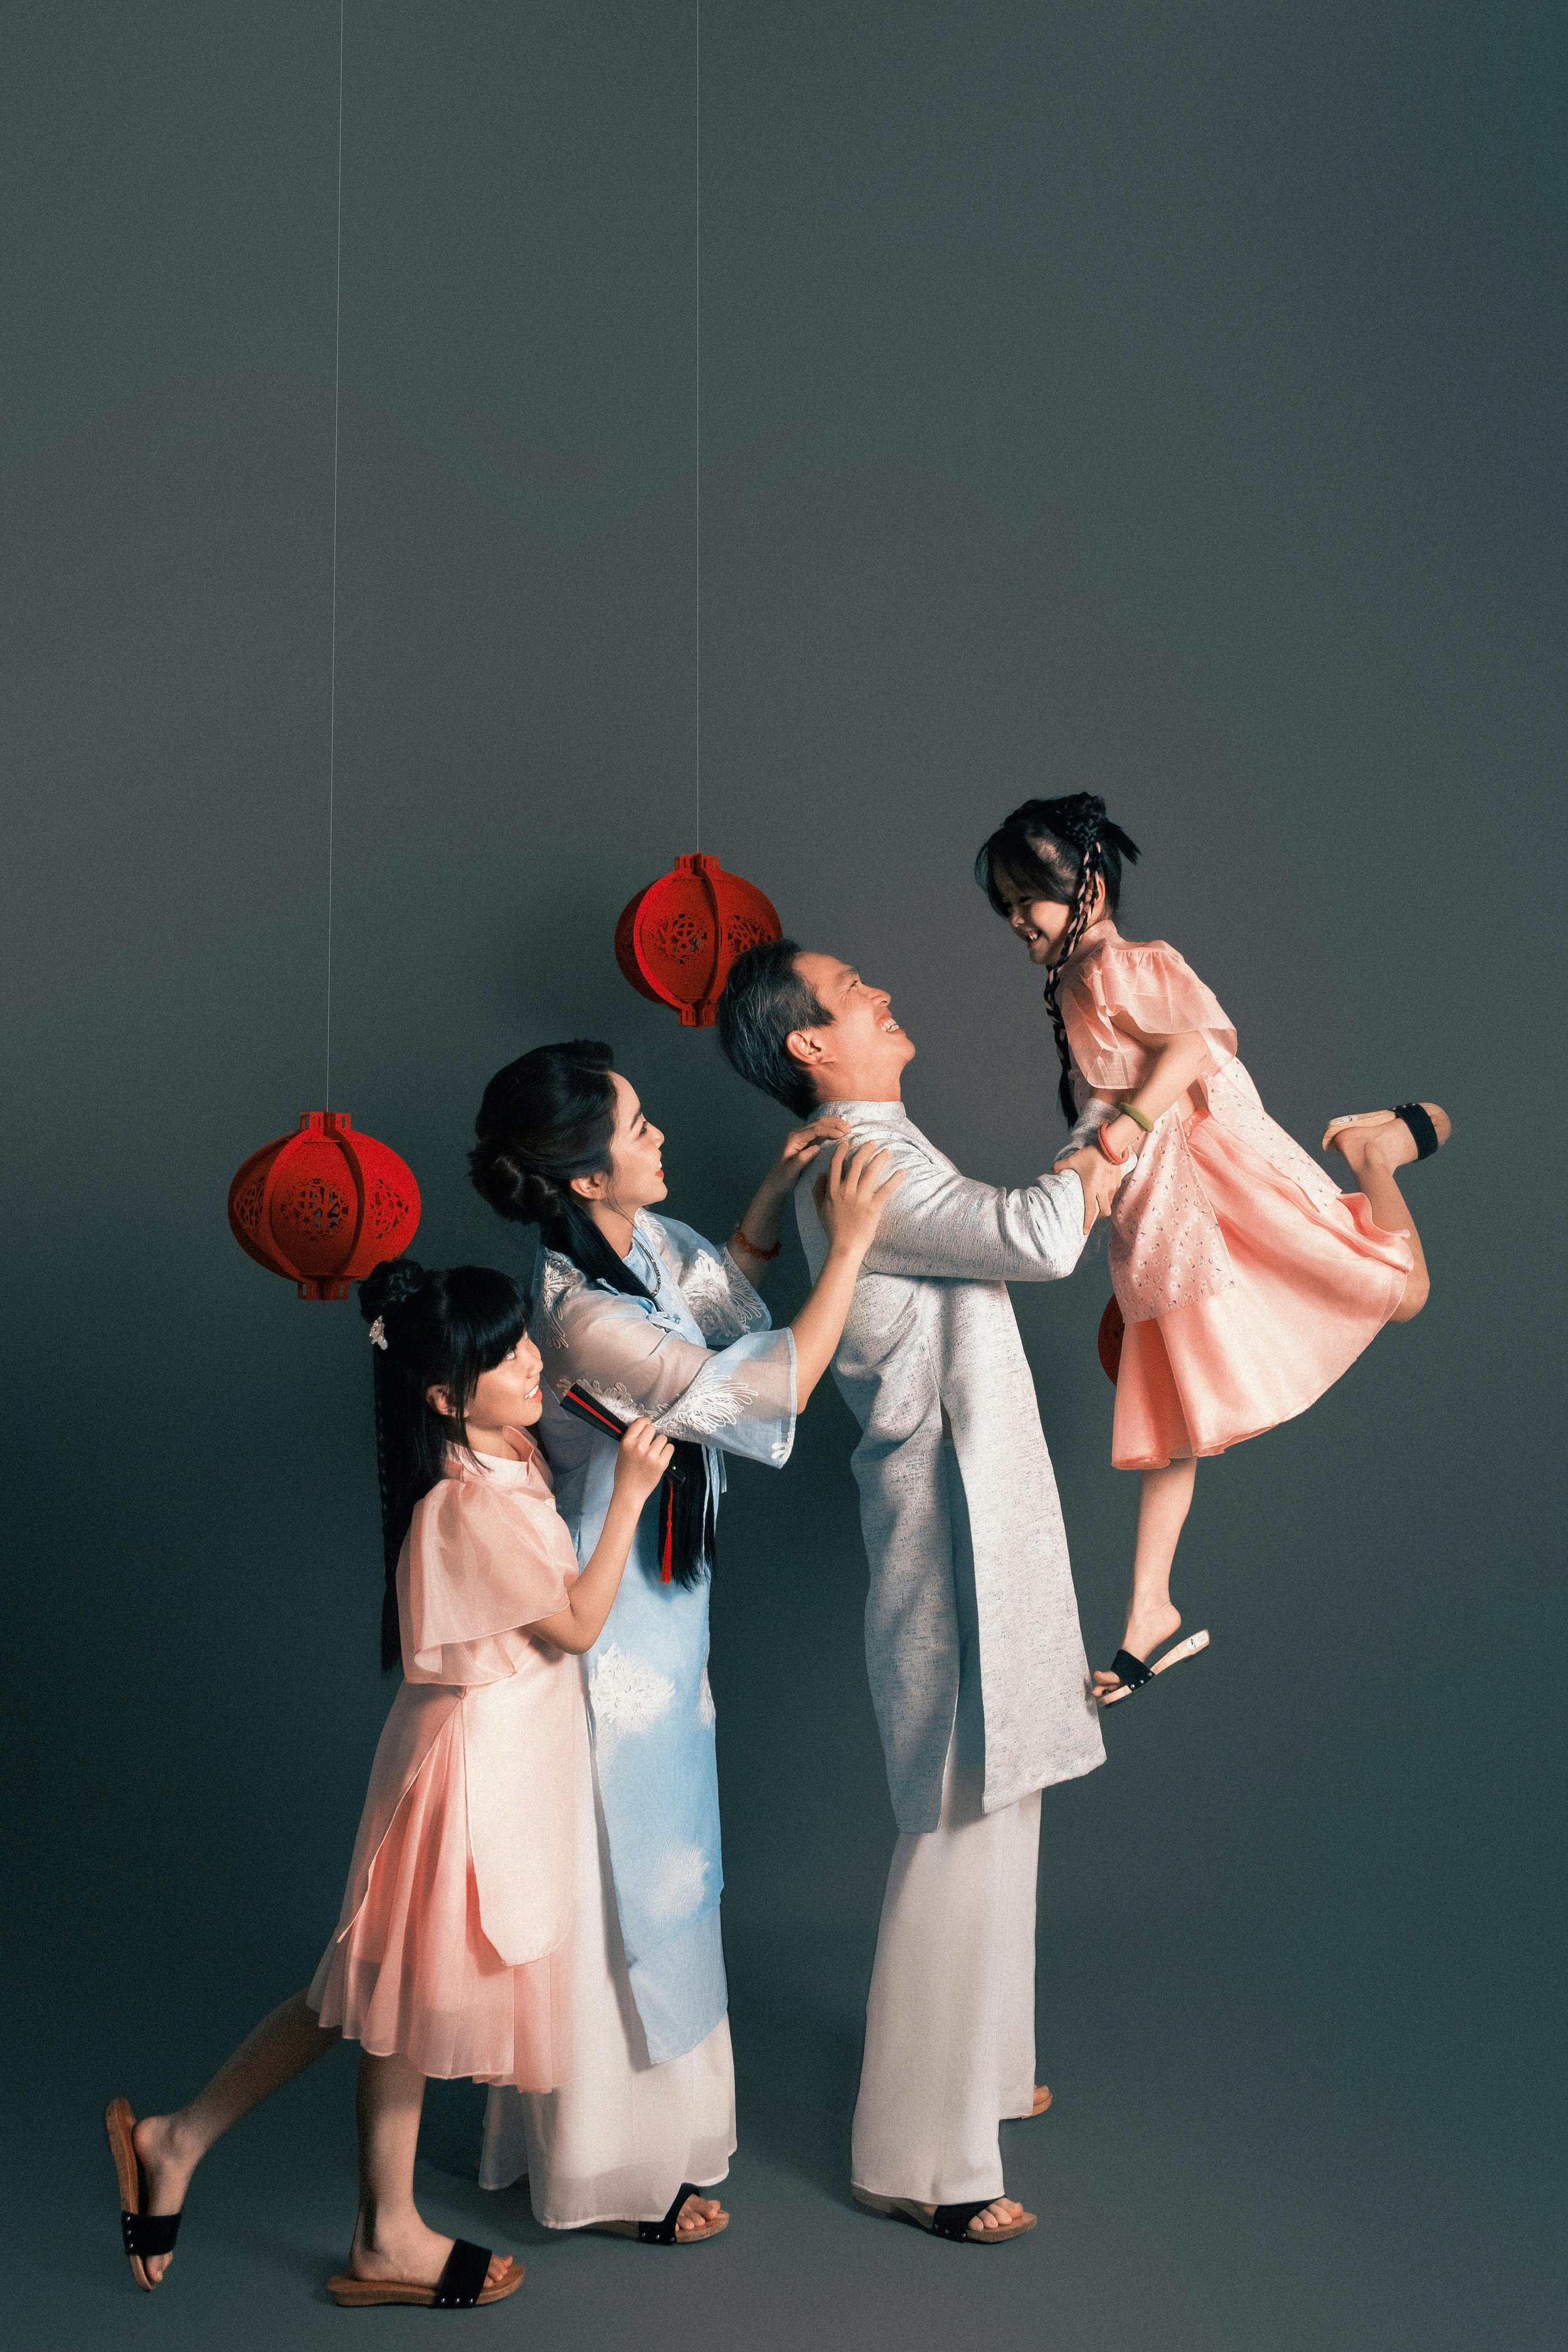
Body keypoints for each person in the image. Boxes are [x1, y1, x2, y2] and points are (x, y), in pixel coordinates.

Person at [105, 1257, 671, 2311]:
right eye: (504, 1358)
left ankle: (197, 2147)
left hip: (492, 1760)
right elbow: (580, 1626)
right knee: (383, 1998)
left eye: (523, 1340)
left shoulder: (502, 1444)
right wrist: (633, 1494)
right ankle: (370, 2225)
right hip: (464, 1780)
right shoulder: (463, 1507)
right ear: (445, 1398)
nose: (532, 1360)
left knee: (366, 1996)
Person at [716, 942, 1121, 2248]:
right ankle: (917, 2156)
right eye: (852, 993)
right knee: (960, 1799)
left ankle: (986, 2075)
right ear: (809, 1047)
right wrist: (1127, 1114)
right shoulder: (867, 1159)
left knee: (1000, 1786)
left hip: (978, 1505)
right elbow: (1039, 1239)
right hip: (946, 1522)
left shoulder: (879, 1141)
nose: (885, 991)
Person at [468, 1040, 900, 2243]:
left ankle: (655, 2139)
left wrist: (766, 1202)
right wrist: (855, 1242)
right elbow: (762, 1384)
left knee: (671, 1857)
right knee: (621, 1869)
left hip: (667, 1606)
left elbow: (725, 1307)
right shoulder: (580, 1311)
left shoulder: (640, 1246)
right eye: (639, 1125)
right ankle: (603, 2166)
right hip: (606, 1616)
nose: (660, 1138)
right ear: (583, 1177)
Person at [977, 793, 1449, 1702]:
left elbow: (1195, 1044)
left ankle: (1375, 1151)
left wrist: (1127, 1127)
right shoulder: (1077, 983)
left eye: (1025, 897)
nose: (1014, 919)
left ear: (1090, 889)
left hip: (1212, 1181)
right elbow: (1111, 1098)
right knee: (1176, 1417)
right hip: (1158, 1217)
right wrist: (1103, 1147)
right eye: (1004, 904)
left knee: (1398, 1291)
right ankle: (1147, 1610)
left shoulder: (1126, 964)